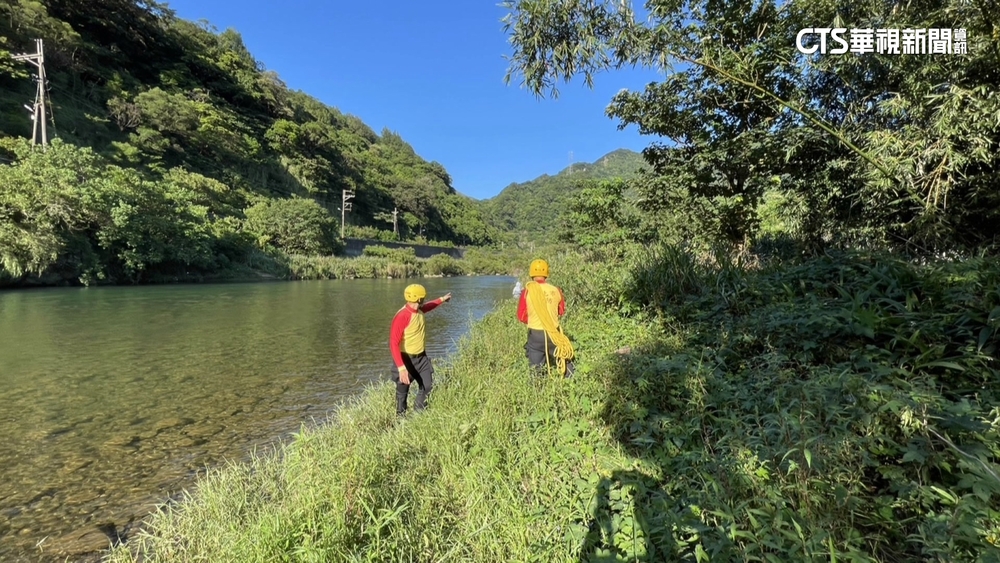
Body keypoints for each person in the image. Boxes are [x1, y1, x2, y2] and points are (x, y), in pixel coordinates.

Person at [389, 284, 452, 416]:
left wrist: (442, 299)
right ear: (418, 299)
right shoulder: (402, 316)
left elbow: (428, 306)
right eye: (423, 297)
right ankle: (401, 420)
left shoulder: (419, 310)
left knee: (427, 386)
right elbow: (393, 343)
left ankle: (418, 416)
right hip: (405, 359)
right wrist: (401, 368)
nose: (424, 299)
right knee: (402, 393)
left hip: (421, 358)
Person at [516, 259, 575, 377]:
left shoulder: (527, 291)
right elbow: (561, 311)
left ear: (531, 273)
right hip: (553, 333)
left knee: (536, 369)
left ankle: (538, 390)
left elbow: (521, 316)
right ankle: (572, 380)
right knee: (564, 356)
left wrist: (535, 319)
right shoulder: (556, 290)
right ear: (546, 273)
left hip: (535, 335)